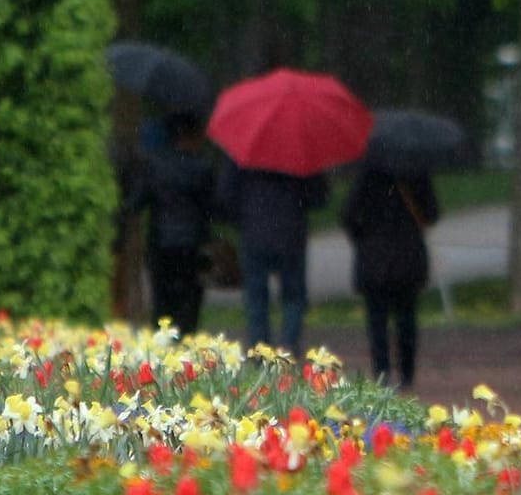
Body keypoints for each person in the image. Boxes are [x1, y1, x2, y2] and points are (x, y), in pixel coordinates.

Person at [217, 159, 330, 357]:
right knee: (293, 295)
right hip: (291, 233)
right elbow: (318, 197)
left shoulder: (244, 158)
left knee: (256, 297)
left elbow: (226, 196)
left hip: (254, 233)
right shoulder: (300, 155)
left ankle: (260, 351)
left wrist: (241, 220)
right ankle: (288, 346)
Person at [340, 165, 439, 389]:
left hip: (374, 260)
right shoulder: (416, 174)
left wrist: (364, 239)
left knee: (377, 320)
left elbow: (349, 217)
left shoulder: (367, 176)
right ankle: (407, 373)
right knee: (407, 318)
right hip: (408, 258)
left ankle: (382, 372)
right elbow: (431, 213)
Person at [123, 113, 218, 334]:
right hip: (193, 244)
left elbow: (136, 203)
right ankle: (186, 343)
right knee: (190, 300)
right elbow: (213, 208)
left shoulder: (154, 166)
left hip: (161, 242)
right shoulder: (202, 168)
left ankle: (162, 346)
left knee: (162, 300)